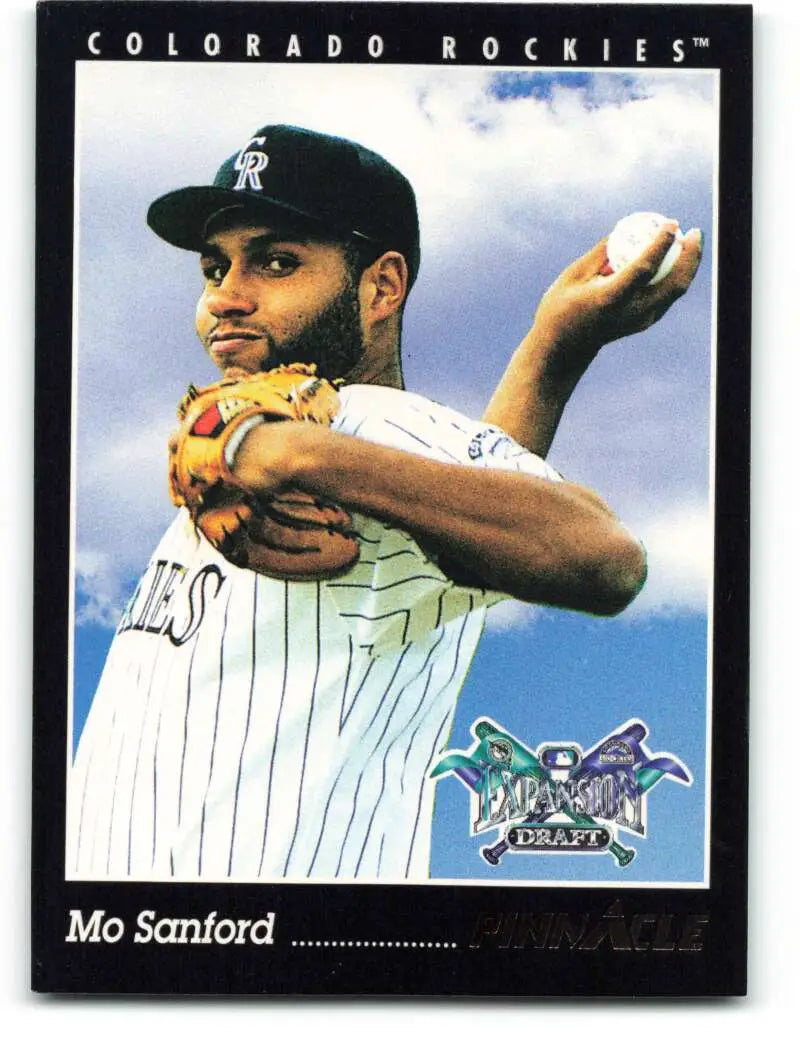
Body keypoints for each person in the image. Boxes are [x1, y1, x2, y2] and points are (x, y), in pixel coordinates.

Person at [66, 125, 700, 881]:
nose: (225, 298)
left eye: (276, 261)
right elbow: (463, 515)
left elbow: (606, 557)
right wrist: (552, 349)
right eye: (214, 267)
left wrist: (297, 451)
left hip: (260, 968)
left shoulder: (353, 427)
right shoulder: (293, 457)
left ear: (380, 286)